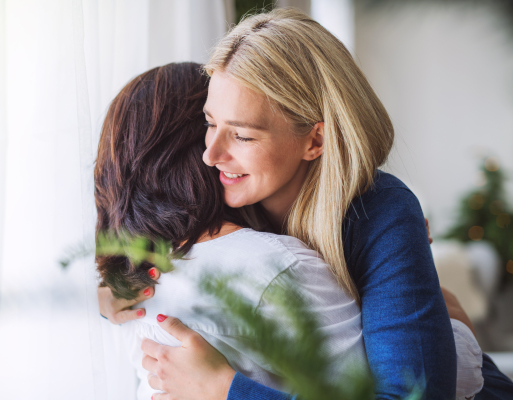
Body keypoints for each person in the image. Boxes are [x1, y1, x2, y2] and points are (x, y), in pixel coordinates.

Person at [100, 8, 513, 400]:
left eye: (242, 135)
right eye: (209, 123)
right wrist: (113, 288)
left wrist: (225, 389)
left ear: (315, 140)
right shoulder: (234, 202)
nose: (210, 154)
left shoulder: (382, 211)